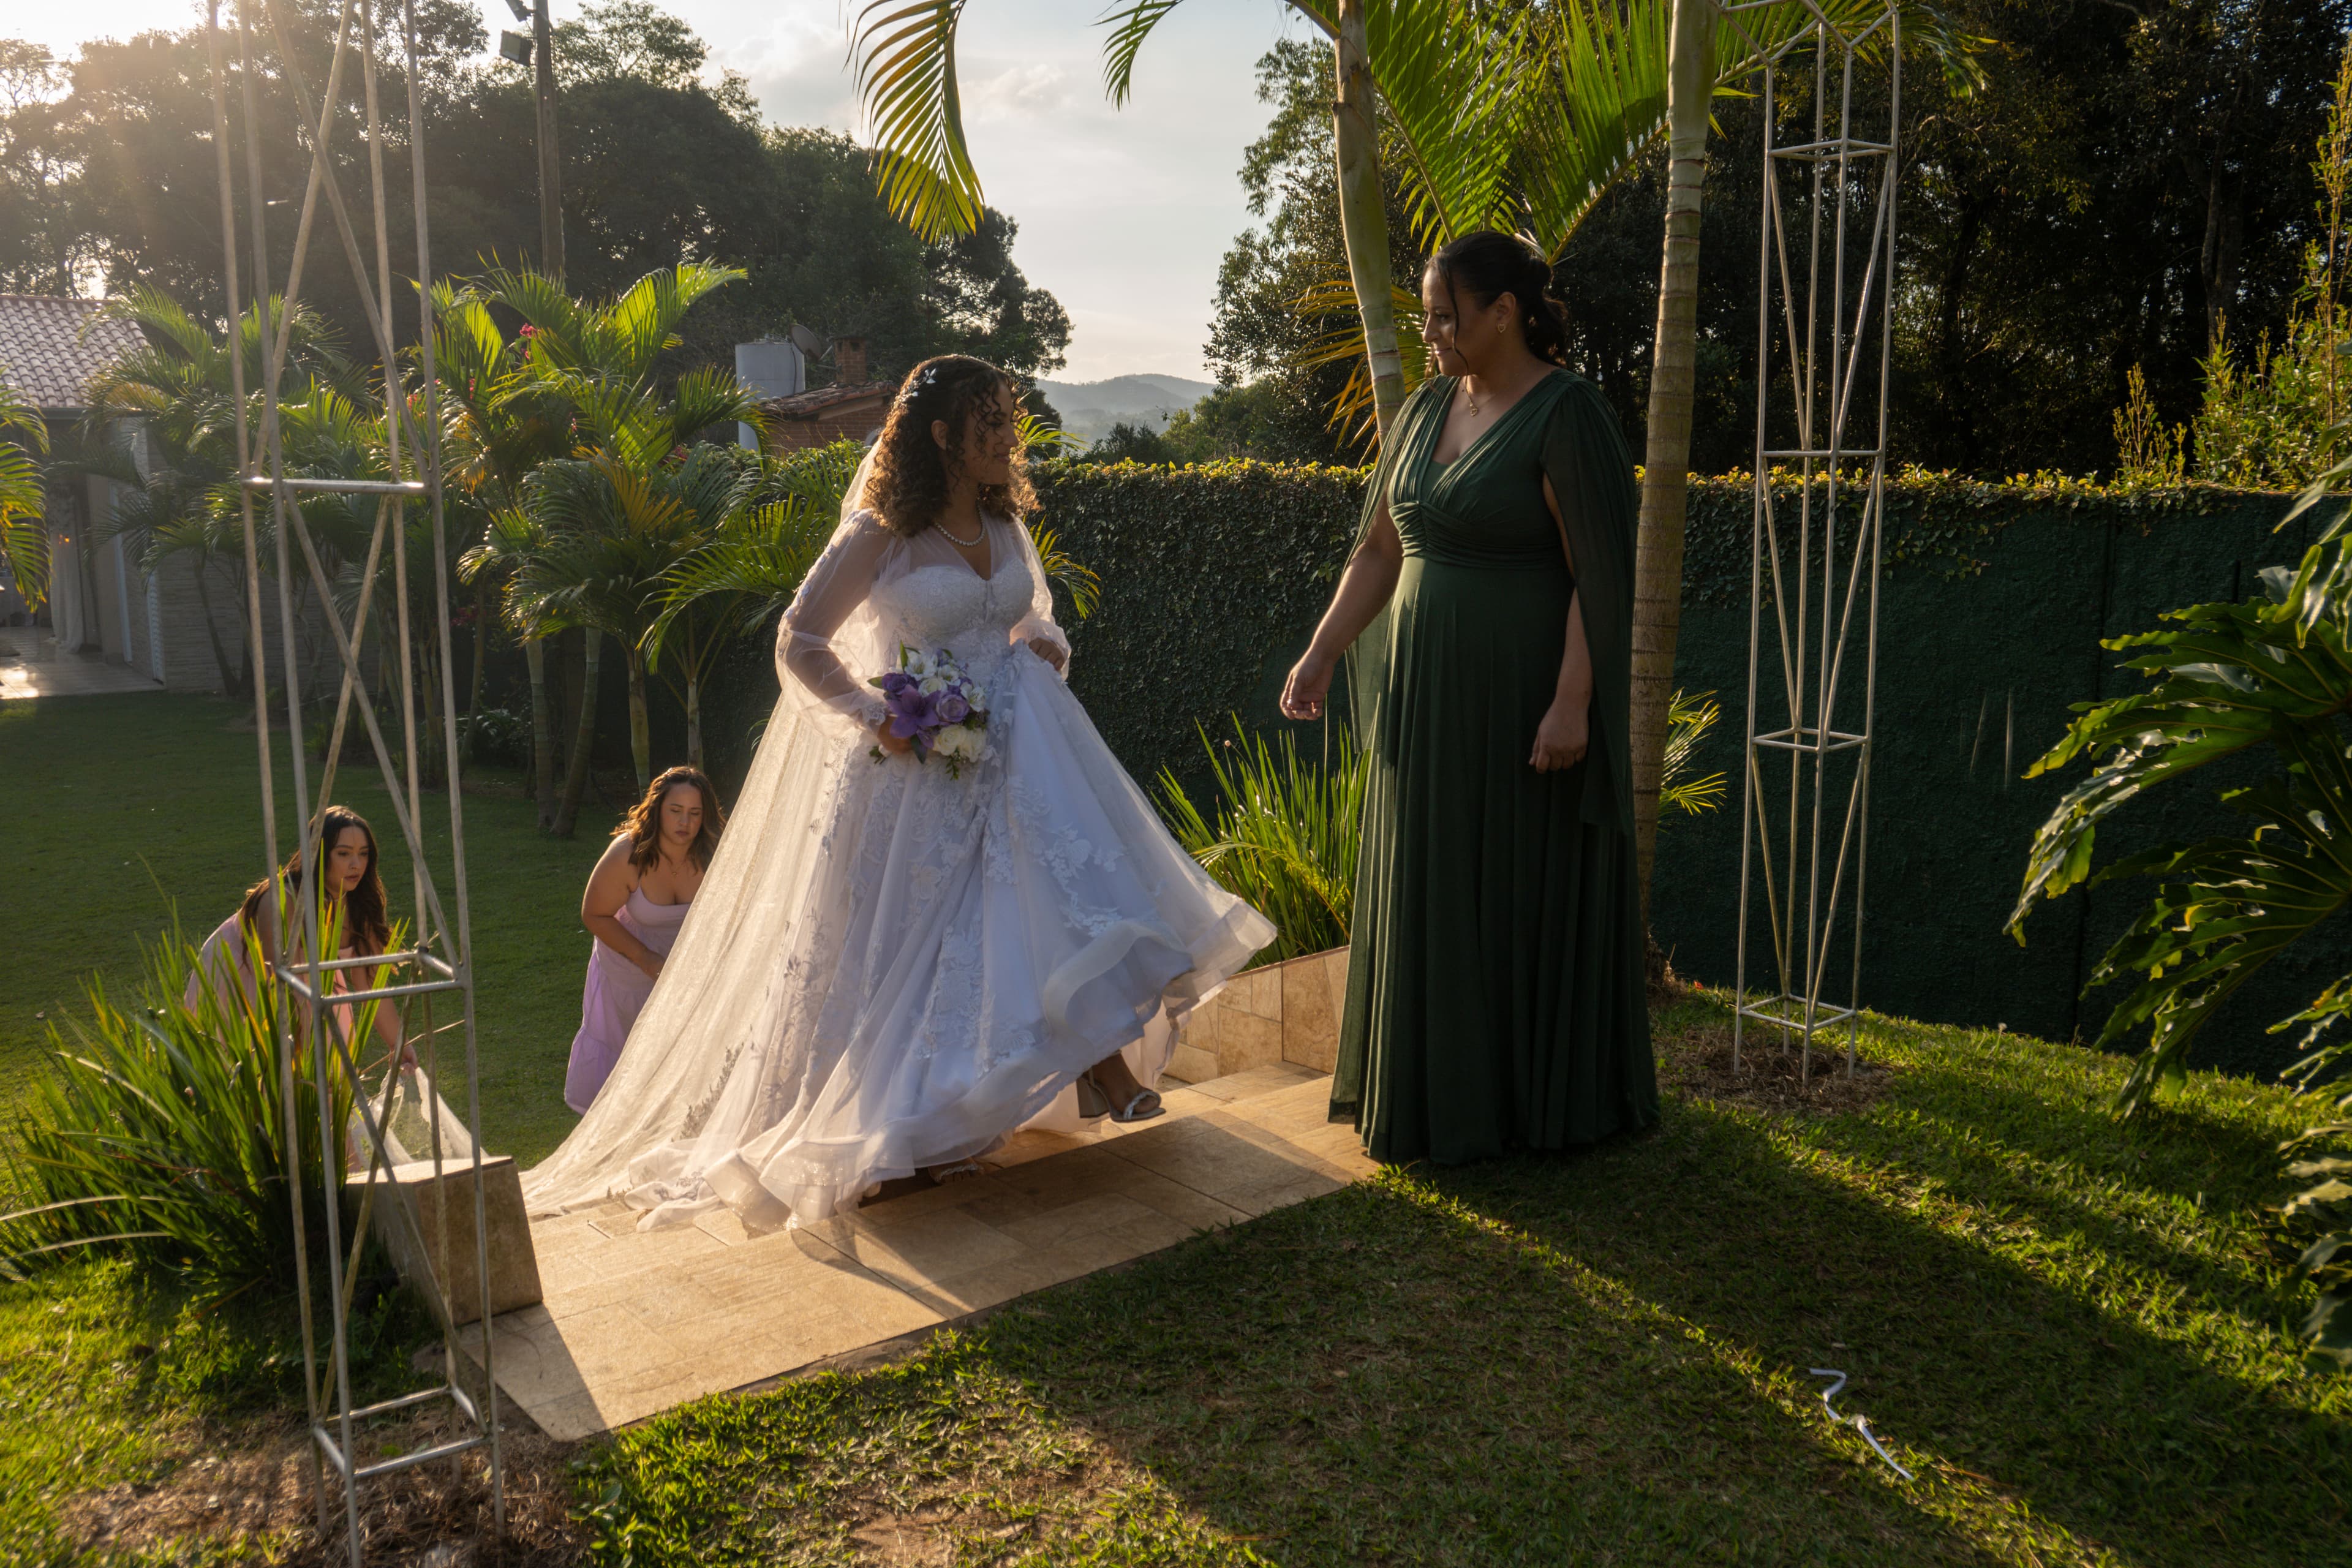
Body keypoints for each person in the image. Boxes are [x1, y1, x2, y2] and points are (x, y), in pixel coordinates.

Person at [524, 354, 1275, 1229]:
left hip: (1022, 752)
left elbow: (1033, 615)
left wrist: (1049, 649)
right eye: (989, 422)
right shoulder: (882, 531)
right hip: (921, 766)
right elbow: (799, 636)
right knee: (910, 957)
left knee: (1048, 901)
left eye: (1010, 419)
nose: (1008, 438)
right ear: (943, 435)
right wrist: (871, 711)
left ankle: (1091, 1065)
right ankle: (914, 1126)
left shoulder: (1002, 523)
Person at [1280, 230, 1657, 1163]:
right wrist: (1322, 652)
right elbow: (1380, 551)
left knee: (1515, 888)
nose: (1434, 330)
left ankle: (1524, 1107)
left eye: (1448, 314)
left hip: (1523, 699)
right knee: (1434, 883)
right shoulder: (1419, 414)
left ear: (1506, 311)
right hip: (1427, 701)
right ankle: (1433, 1096)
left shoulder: (1568, 413)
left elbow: (1598, 579)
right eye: (1427, 314)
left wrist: (1572, 703)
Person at [185, 804, 407, 1068]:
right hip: (243, 983)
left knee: (327, 1076)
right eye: (344, 854)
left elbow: (372, 983)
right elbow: (279, 985)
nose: (356, 864)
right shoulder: (280, 900)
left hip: (313, 981)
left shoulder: (360, 905)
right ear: (318, 853)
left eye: (363, 854)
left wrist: (399, 1044)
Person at [564, 766, 723, 1112]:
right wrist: (646, 960)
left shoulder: (716, 854)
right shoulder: (629, 854)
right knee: (628, 1057)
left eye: (695, 814)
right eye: (676, 811)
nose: (685, 823)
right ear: (658, 809)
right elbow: (594, 914)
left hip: (685, 970)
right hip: (629, 969)